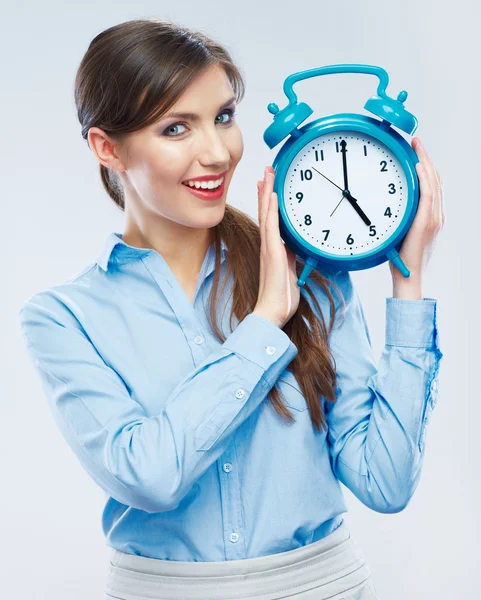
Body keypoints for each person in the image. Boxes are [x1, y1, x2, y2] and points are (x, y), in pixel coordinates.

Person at [18, 17, 445, 600]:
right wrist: (264, 323)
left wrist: (409, 282)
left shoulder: (314, 276)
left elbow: (386, 482)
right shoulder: (63, 318)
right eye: (176, 129)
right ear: (107, 147)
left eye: (223, 117)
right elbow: (152, 475)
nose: (218, 153)